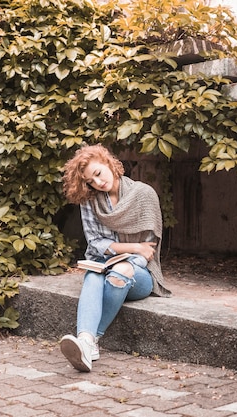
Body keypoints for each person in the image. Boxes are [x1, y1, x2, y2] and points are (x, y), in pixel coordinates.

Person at [60, 144, 171, 372]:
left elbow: (147, 252)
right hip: (104, 267)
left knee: (122, 271)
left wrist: (128, 256)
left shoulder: (143, 194)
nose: (98, 183)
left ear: (109, 163)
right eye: (90, 181)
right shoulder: (90, 201)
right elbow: (95, 243)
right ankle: (87, 344)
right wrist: (133, 246)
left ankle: (91, 339)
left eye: (98, 174)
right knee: (93, 275)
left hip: (140, 274)